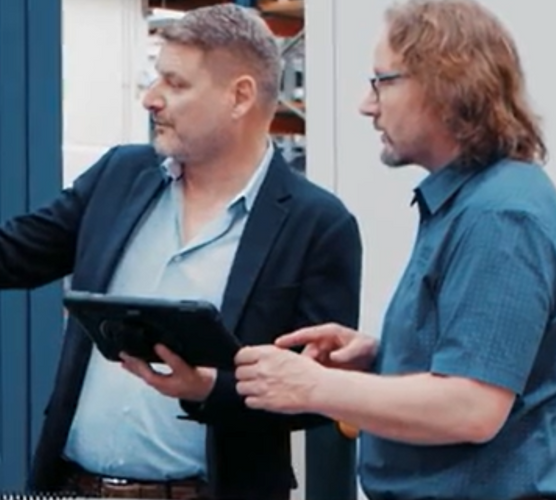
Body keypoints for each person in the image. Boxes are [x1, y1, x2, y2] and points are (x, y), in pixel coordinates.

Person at [0, 5, 359, 499]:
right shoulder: (121, 177)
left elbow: (316, 398)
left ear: (240, 96)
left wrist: (210, 389)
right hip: (73, 486)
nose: (152, 98)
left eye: (175, 84)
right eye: (155, 78)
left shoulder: (317, 224)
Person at [232, 1, 555, 500]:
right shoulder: (466, 203)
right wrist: (383, 358)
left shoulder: (500, 215)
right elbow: (482, 365)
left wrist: (311, 386)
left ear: (446, 84)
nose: (367, 105)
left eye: (381, 81)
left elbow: (472, 408)